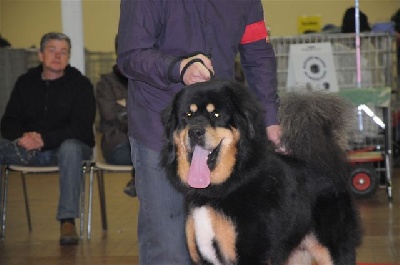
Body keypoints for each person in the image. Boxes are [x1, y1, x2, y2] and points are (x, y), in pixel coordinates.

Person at [117, 1, 281, 264]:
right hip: (160, 131)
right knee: (168, 244)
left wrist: (270, 117)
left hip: (218, 136)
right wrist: (178, 68)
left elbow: (257, 53)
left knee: (222, 242)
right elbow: (130, 56)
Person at [0, 32, 95, 245]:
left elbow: (81, 129)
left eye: (64, 52)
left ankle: (67, 221)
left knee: (70, 147)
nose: (58, 56)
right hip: (27, 150)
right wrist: (24, 137)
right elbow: (8, 121)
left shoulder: (81, 85)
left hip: (69, 150)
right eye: (52, 50)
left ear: (68, 57)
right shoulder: (25, 83)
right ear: (41, 55)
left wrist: (44, 139)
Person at [96, 35, 136, 197]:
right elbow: (110, 114)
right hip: (118, 145)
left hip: (143, 144)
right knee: (151, 155)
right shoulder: (105, 83)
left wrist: (125, 105)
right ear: (117, 52)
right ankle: (138, 177)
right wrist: (137, 110)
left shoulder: (148, 83)